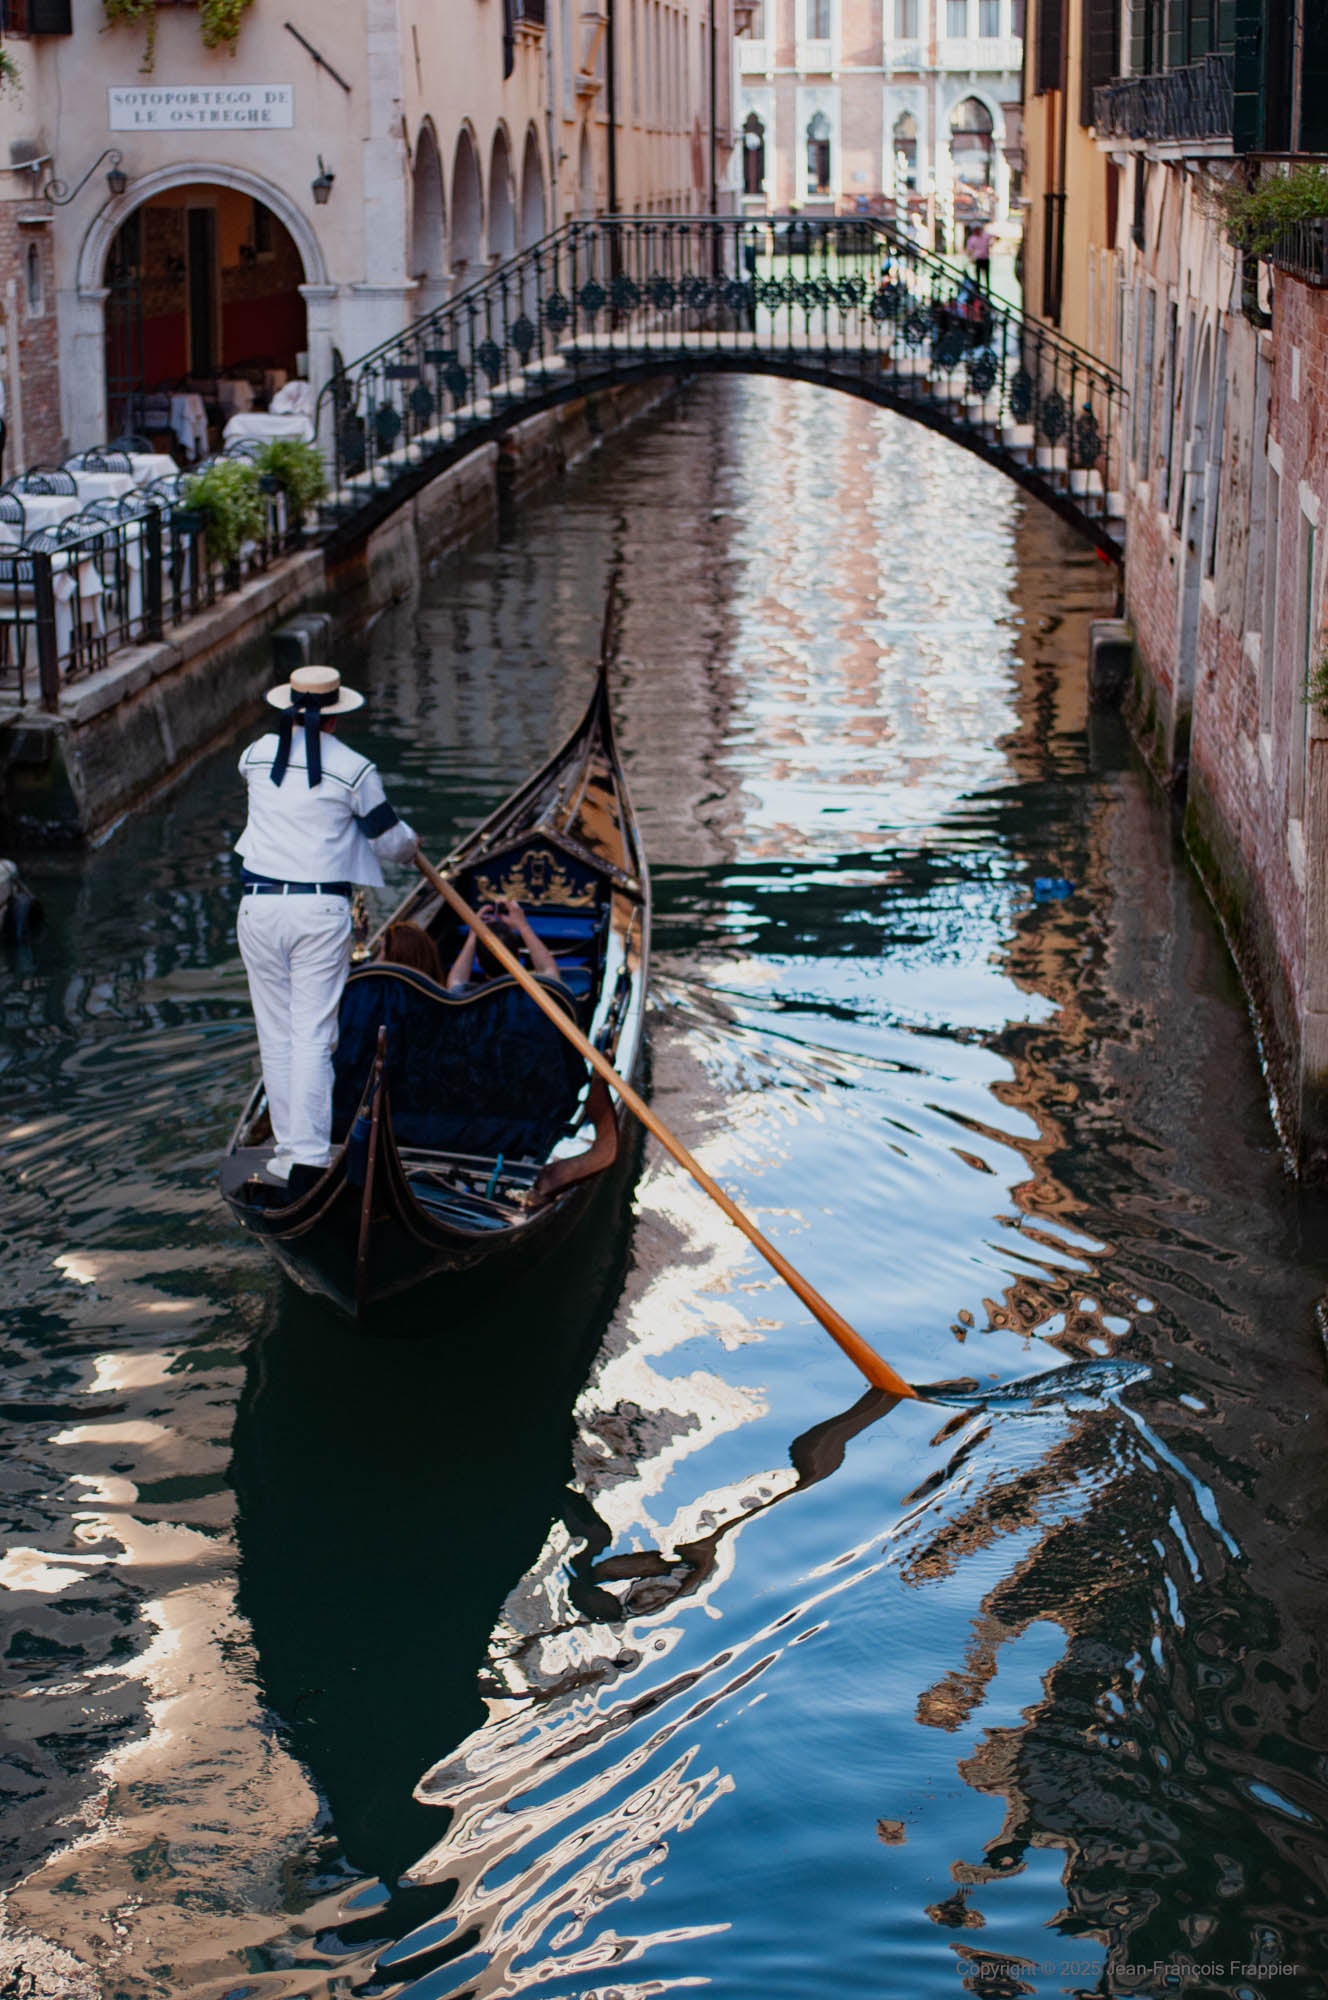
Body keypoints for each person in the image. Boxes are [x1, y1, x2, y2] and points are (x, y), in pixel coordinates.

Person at [235, 662, 418, 1194]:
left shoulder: (253, 757)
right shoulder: (356, 771)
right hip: (318, 913)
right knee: (313, 1036)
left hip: (259, 907)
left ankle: (288, 1151)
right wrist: (412, 847)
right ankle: (310, 1158)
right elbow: (389, 841)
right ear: (334, 718)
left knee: (278, 1035)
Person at [446, 896, 557, 992]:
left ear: (478, 962)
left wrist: (472, 936)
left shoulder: (469, 1000)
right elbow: (548, 970)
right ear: (518, 956)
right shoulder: (541, 999)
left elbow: (456, 980)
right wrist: (523, 927)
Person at [966, 221, 992, 292]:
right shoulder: (972, 239)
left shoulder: (985, 236)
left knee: (987, 276)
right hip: (978, 259)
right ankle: (978, 291)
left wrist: (990, 245)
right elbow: (969, 250)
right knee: (978, 277)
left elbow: (995, 237)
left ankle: (987, 290)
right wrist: (971, 258)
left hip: (985, 259)